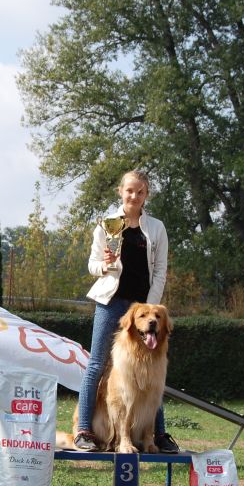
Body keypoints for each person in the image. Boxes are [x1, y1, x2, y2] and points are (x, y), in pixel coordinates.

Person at [74, 170, 180, 454]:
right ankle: (83, 430)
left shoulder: (156, 228)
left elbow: (160, 270)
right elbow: (93, 266)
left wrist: (150, 309)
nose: (134, 196)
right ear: (121, 191)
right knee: (96, 364)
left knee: (153, 370)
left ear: (146, 195)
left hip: (143, 308)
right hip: (111, 303)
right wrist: (106, 265)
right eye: (129, 191)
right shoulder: (107, 225)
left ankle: (158, 435)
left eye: (140, 192)